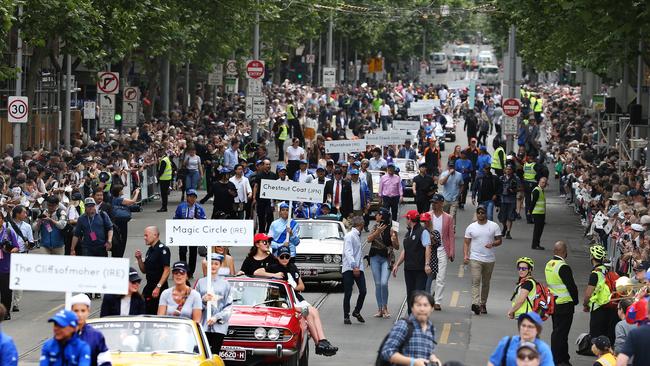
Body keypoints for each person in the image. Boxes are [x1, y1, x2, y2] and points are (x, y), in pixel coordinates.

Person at [254, 246, 338, 356]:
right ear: (277, 257)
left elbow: (302, 286)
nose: (284, 259)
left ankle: (322, 340)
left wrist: (293, 286)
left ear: (290, 257)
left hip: (295, 297)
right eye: (282, 256)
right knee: (307, 312)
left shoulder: (293, 267)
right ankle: (319, 344)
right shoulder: (274, 267)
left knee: (314, 311)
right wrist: (274, 275)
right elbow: (257, 272)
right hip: (284, 299)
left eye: (287, 256)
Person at [379, 291, 441, 366]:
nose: (422, 309)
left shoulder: (431, 328)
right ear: (412, 308)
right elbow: (387, 352)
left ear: (432, 308)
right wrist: (413, 362)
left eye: (425, 305)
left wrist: (433, 358)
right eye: (418, 305)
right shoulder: (403, 325)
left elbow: (427, 351)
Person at [544, 241, 579, 366]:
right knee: (561, 334)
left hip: (554, 303)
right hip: (565, 304)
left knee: (558, 332)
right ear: (564, 252)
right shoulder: (563, 267)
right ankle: (558, 359)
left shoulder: (549, 264)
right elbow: (571, 286)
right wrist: (576, 300)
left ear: (554, 251)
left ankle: (563, 358)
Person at [464, 205, 502, 315]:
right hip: (475, 258)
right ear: (476, 213)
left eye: (483, 213)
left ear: (486, 214)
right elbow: (466, 242)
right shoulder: (471, 227)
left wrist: (493, 244)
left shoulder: (494, 226)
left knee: (486, 283)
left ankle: (483, 303)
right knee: (476, 281)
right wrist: (466, 255)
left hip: (489, 259)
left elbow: (499, 240)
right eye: (479, 213)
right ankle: (475, 304)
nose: (481, 215)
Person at [194, 253, 233, 355]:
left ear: (220, 265)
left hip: (219, 327)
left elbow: (229, 305)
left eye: (216, 264)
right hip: (203, 324)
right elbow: (194, 304)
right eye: (211, 263)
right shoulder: (200, 282)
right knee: (202, 353)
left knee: (215, 354)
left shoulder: (225, 284)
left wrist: (217, 317)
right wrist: (203, 301)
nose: (213, 266)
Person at [392, 210, 430, 313]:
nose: (406, 220)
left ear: (410, 219)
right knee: (410, 294)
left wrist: (427, 264)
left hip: (420, 269)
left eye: (406, 218)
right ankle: (411, 317)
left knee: (418, 294)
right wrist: (397, 265)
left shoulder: (423, 231)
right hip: (408, 269)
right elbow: (405, 250)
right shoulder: (409, 233)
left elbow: (427, 247)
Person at [487, 312, 554, 366]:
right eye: (523, 325)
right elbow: (492, 362)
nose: (525, 329)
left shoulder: (543, 349)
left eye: (530, 326)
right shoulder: (507, 342)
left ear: (538, 330)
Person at [367, 208, 399, 318]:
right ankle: (380, 308)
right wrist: (377, 232)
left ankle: (385, 307)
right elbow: (369, 239)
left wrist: (394, 239)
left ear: (383, 216)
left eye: (378, 214)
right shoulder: (375, 227)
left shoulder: (392, 228)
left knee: (384, 283)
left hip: (387, 258)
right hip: (375, 257)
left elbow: (397, 247)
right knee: (378, 284)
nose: (376, 216)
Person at [584, 245, 617, 343]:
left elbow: (588, 294)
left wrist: (585, 304)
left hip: (598, 308)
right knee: (605, 336)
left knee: (595, 337)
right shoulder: (606, 270)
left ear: (592, 257)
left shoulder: (595, 274)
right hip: (608, 305)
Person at [135, 226, 170, 315]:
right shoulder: (150, 250)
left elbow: (167, 270)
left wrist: (158, 287)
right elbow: (144, 270)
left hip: (159, 288)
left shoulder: (163, 249)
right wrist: (139, 259)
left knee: (156, 313)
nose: (144, 238)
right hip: (149, 287)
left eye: (146, 235)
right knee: (143, 310)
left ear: (155, 235)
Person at [70, 294, 111, 366]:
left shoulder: (96, 335)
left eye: (83, 311)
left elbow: (105, 362)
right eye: (76, 311)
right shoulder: (63, 334)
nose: (79, 314)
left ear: (88, 311)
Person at [174, 189, 207, 278]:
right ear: (187, 197)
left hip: (194, 233)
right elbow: (175, 218)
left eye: (194, 197)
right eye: (190, 197)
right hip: (183, 232)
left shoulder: (199, 208)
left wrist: (198, 221)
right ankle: (183, 268)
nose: (192, 199)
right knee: (182, 250)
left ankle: (191, 272)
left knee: (193, 252)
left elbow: (204, 220)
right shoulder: (181, 207)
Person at [71, 198, 114, 263]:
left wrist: (109, 240)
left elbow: (110, 228)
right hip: (87, 248)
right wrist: (72, 249)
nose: (91, 208)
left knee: (102, 266)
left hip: (101, 246)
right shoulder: (81, 219)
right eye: (88, 206)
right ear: (85, 207)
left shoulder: (102, 214)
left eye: (92, 205)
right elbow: (76, 234)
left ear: (95, 206)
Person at [342, 216, 367, 324]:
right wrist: (354, 266)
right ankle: (346, 316)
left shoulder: (357, 235)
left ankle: (356, 311)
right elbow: (348, 251)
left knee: (363, 290)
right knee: (348, 292)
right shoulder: (350, 236)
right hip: (349, 267)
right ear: (360, 225)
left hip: (358, 267)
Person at [109, 184, 139, 258]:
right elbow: (133, 201)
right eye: (121, 190)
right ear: (119, 192)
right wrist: (137, 192)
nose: (122, 191)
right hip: (121, 223)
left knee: (117, 241)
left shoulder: (113, 199)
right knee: (122, 241)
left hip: (116, 222)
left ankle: (117, 255)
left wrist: (133, 194)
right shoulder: (119, 199)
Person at [0, 214, 19, 319]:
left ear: (2, 220)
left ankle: (5, 312)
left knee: (6, 292)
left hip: (5, 267)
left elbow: (17, 247)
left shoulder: (8, 232)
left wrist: (12, 250)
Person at [439, 160, 464, 225]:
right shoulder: (444, 174)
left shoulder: (459, 175)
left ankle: (452, 230)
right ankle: (446, 229)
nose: (451, 168)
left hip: (454, 199)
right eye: (450, 166)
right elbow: (441, 183)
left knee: (452, 215)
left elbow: (461, 185)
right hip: (445, 199)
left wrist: (459, 194)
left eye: (452, 166)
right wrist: (449, 174)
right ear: (448, 167)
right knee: (445, 216)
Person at [499, 165, 519, 239]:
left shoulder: (516, 178)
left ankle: (508, 232)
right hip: (503, 199)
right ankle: (505, 226)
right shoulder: (501, 178)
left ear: (512, 170)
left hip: (511, 200)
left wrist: (513, 190)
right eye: (507, 169)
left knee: (510, 217)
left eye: (509, 169)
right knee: (502, 217)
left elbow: (520, 188)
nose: (508, 171)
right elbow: (498, 187)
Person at [530, 177, 547, 250]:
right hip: (537, 213)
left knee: (540, 230)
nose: (544, 184)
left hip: (541, 213)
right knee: (537, 230)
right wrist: (530, 212)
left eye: (545, 182)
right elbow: (533, 202)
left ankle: (537, 244)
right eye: (542, 182)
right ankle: (535, 245)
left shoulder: (541, 190)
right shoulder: (537, 190)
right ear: (539, 182)